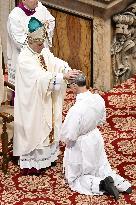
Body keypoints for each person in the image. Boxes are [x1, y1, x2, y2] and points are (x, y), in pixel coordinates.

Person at [13, 17, 80, 175]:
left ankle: (48, 158)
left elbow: (53, 61)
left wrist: (64, 69)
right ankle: (33, 163)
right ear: (30, 41)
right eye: (39, 43)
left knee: (49, 126)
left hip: (44, 99)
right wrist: (62, 77)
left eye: (43, 42)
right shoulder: (24, 59)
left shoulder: (40, 49)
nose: (43, 46)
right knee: (37, 130)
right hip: (32, 105)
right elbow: (40, 78)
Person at [59, 73, 132, 200]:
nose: (70, 89)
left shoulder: (76, 110)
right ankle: (122, 184)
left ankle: (102, 184)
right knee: (101, 167)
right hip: (95, 137)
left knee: (75, 178)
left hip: (81, 144)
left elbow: (69, 136)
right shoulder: (98, 99)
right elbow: (102, 120)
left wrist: (64, 140)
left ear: (75, 86)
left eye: (70, 86)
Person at [7, 0, 55, 85]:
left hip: (42, 53)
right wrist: (36, 41)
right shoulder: (15, 16)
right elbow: (19, 40)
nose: (36, 0)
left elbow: (51, 21)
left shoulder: (40, 7)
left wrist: (46, 27)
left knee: (44, 83)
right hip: (25, 59)